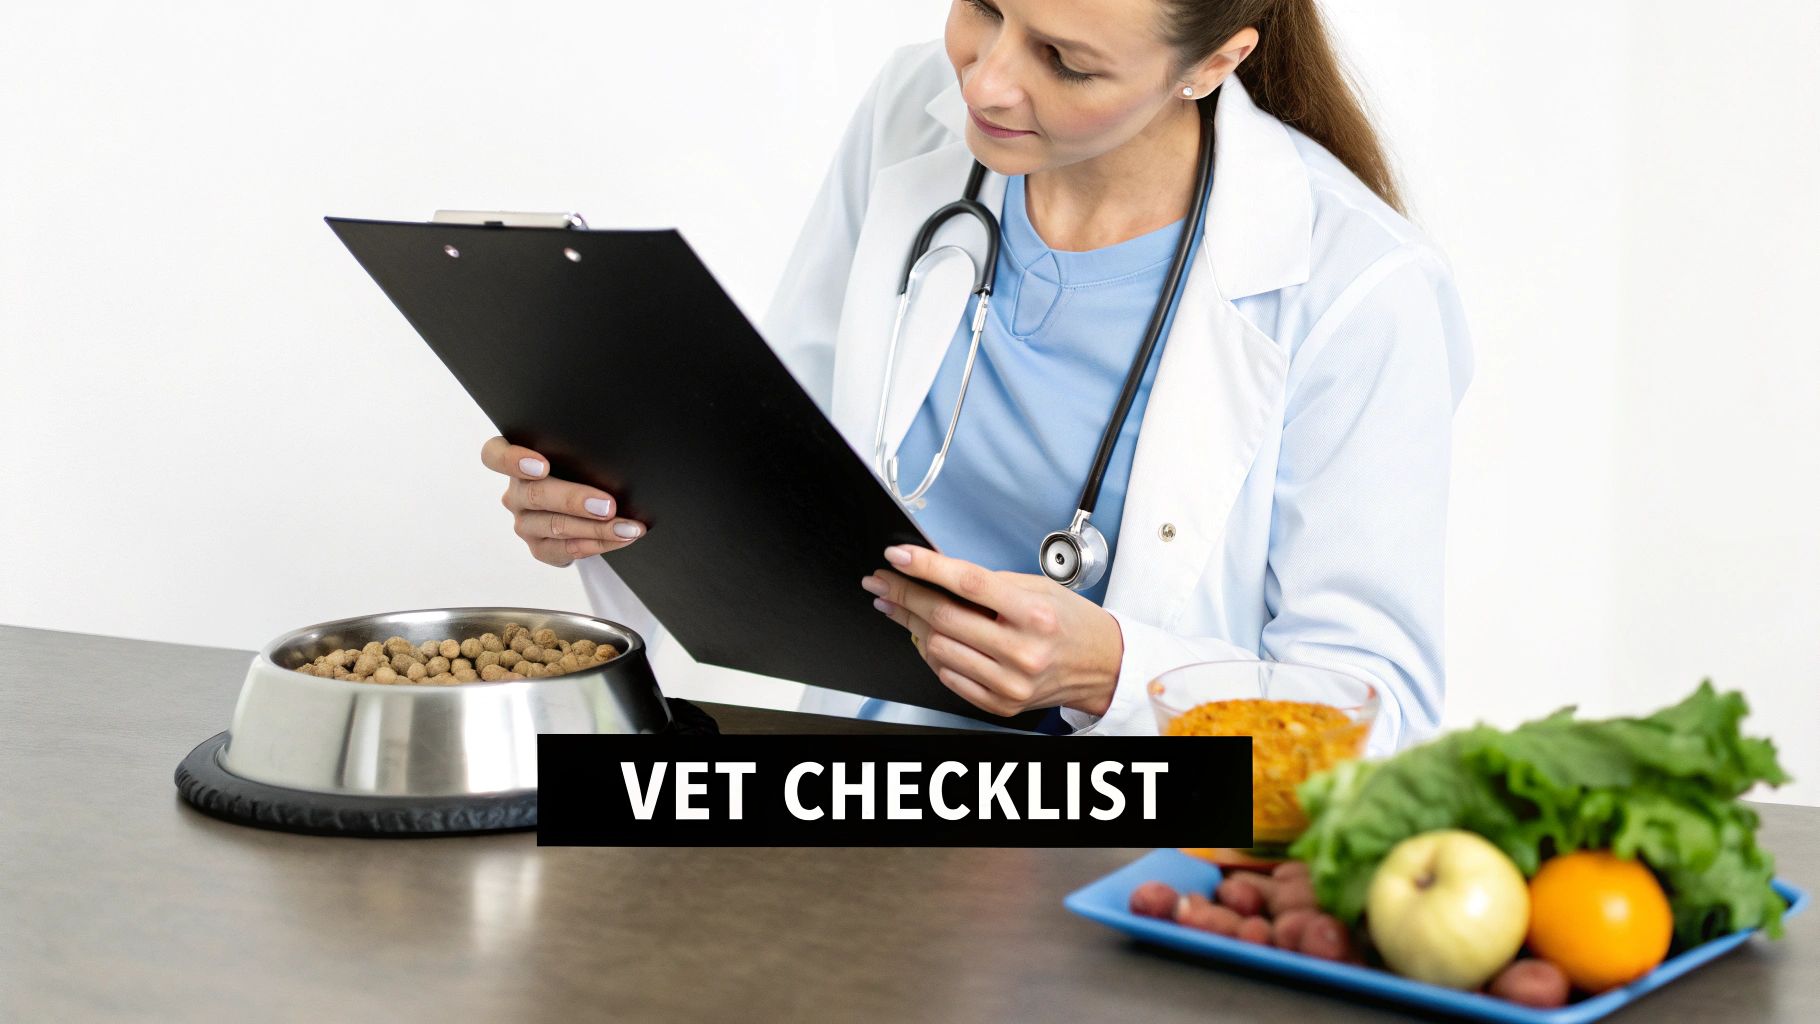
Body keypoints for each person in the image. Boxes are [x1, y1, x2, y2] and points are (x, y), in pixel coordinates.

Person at [478, 0, 1472, 752]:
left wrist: (1111, 674)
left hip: (1121, 853)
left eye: (1065, 62)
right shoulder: (908, 116)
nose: (986, 84)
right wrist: (616, 508)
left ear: (1214, 63)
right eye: (983, 7)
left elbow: (1377, 717)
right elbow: (782, 465)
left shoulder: (1357, 289)